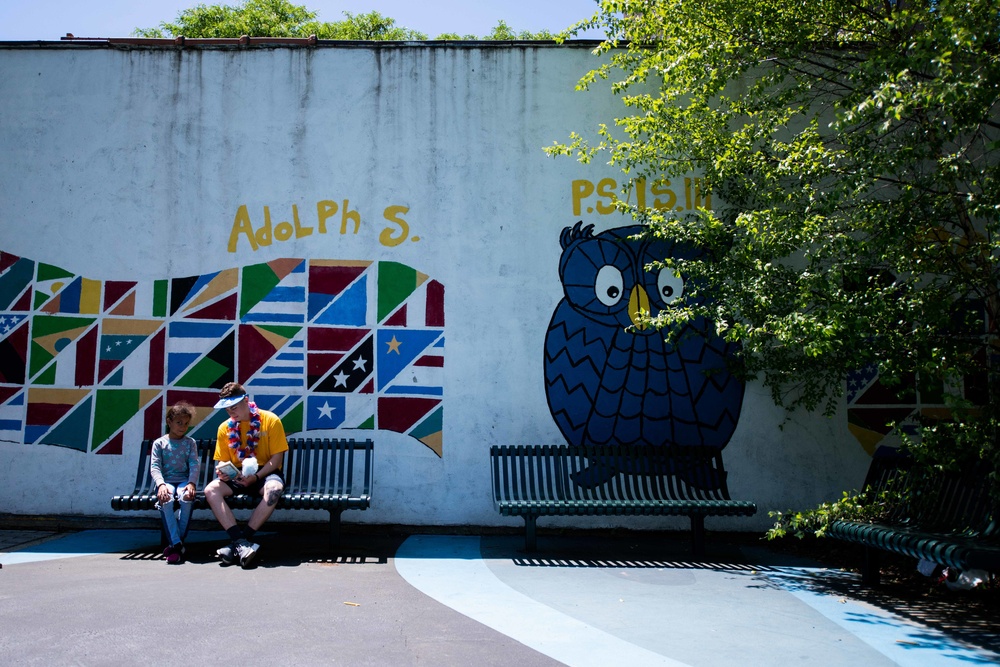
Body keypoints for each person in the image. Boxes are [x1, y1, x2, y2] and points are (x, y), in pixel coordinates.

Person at [204, 382, 288, 568]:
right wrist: (223, 473)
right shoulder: (225, 428)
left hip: (265, 472)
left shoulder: (270, 420)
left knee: (274, 489)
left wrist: (257, 477)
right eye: (227, 409)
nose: (231, 412)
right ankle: (242, 544)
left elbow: (276, 458)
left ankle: (240, 541)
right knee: (211, 490)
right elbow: (222, 462)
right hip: (237, 474)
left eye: (234, 407)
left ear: (246, 400)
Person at [150, 401, 200, 565]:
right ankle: (178, 544)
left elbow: (194, 464)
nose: (183, 427)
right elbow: (155, 466)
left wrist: (192, 483)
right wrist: (161, 485)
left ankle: (174, 543)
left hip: (184, 481)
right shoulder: (160, 443)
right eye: (179, 422)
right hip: (167, 482)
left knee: (186, 498)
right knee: (166, 499)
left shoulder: (190, 443)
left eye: (186, 423)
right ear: (169, 421)